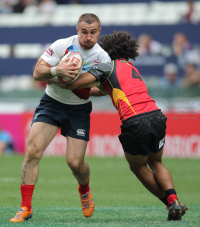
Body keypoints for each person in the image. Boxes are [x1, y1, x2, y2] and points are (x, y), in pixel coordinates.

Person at [50, 31, 188, 221]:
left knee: (138, 167)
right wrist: (87, 91)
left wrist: (52, 77)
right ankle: (175, 200)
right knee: (156, 162)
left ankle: (170, 204)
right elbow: (106, 89)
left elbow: (76, 85)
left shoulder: (105, 65)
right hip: (156, 116)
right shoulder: (129, 67)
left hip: (135, 121)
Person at [10, 13, 111, 222]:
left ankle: (84, 190)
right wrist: (57, 70)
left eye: (93, 32)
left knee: (75, 163)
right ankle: (25, 207)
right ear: (77, 30)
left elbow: (105, 90)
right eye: (84, 32)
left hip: (78, 109)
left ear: (99, 32)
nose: (88, 37)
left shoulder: (103, 58)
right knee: (33, 151)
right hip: (51, 103)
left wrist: (85, 90)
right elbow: (37, 73)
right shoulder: (62, 45)